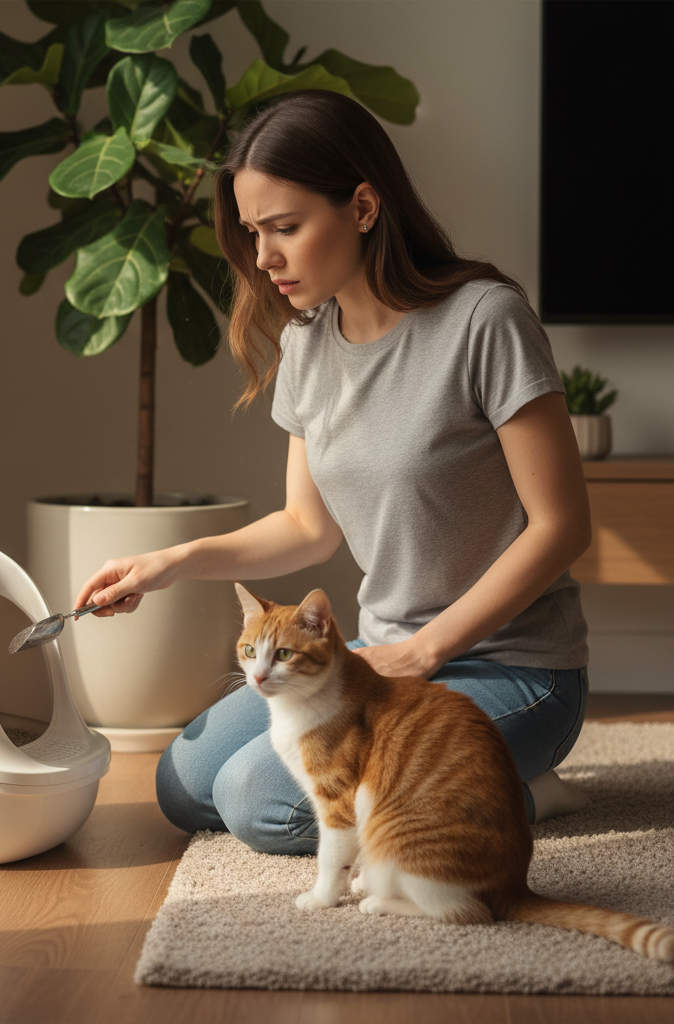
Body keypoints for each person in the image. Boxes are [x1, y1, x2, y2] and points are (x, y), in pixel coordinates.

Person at [73, 90, 591, 854]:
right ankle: (472, 787)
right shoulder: (310, 343)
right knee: (183, 784)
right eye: (253, 233)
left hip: (513, 669)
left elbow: (563, 526)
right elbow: (306, 528)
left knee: (257, 802)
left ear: (363, 206)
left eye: (285, 228)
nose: (263, 258)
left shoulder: (484, 321)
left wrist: (423, 651)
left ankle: (508, 791)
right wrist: (170, 563)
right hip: (373, 665)